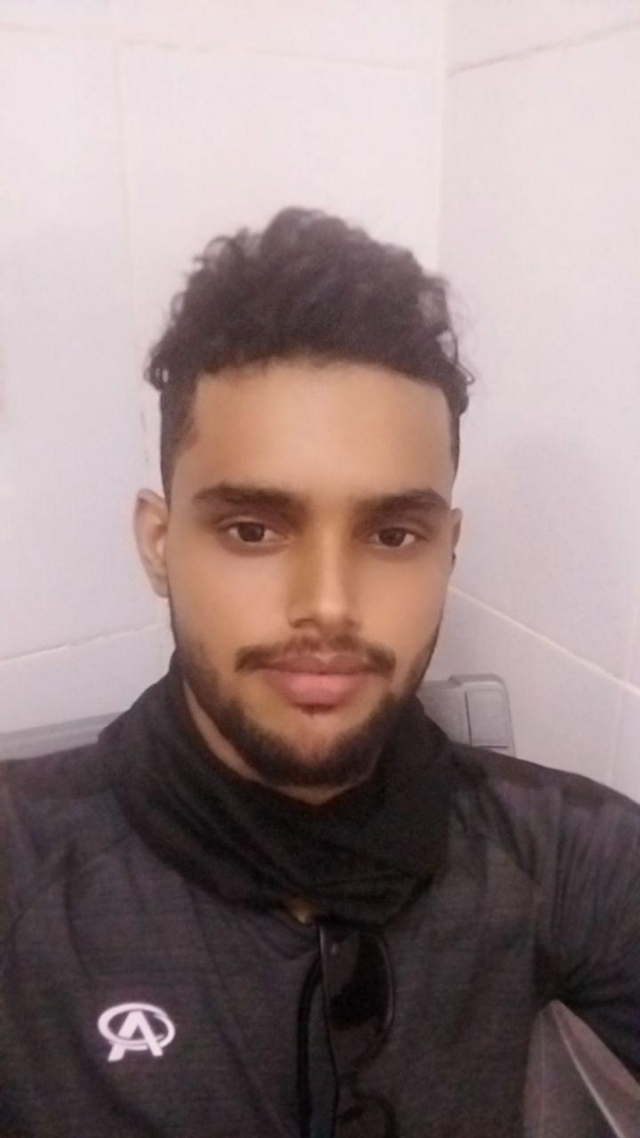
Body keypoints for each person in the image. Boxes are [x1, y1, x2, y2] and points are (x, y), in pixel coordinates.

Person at [1, 208, 638, 1138]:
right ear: (159, 544)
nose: (329, 604)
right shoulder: (21, 874)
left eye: (394, 534)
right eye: (253, 529)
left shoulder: (569, 860)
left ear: (448, 549)